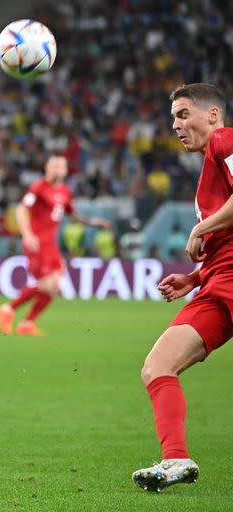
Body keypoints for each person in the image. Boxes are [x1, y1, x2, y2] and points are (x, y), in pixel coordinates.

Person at [132, 83, 233, 492]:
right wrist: (193, 277)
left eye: (183, 113)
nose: (175, 124)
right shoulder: (213, 161)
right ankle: (176, 459)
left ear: (212, 115)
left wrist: (200, 227)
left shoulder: (225, 140)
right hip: (218, 282)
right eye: (173, 117)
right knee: (158, 367)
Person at [0, 155, 109, 336]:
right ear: (47, 168)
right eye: (54, 166)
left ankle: (27, 323)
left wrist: (92, 223)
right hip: (37, 243)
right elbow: (21, 209)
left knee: (54, 287)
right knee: (47, 284)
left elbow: (72, 214)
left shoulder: (65, 191)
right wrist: (27, 234)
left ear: (65, 170)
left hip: (51, 245)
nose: (57, 169)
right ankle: (8, 308)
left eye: (60, 166)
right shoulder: (38, 188)